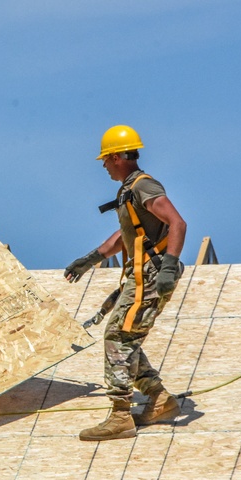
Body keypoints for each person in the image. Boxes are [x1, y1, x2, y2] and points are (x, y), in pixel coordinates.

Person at [64, 125, 187, 442]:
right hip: (139, 276)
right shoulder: (130, 190)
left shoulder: (144, 186)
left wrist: (169, 266)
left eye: (106, 159)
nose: (104, 165)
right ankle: (158, 399)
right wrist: (92, 258)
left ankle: (121, 416)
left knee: (118, 337)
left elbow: (177, 222)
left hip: (149, 276)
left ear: (118, 157)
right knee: (125, 337)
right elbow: (127, 236)